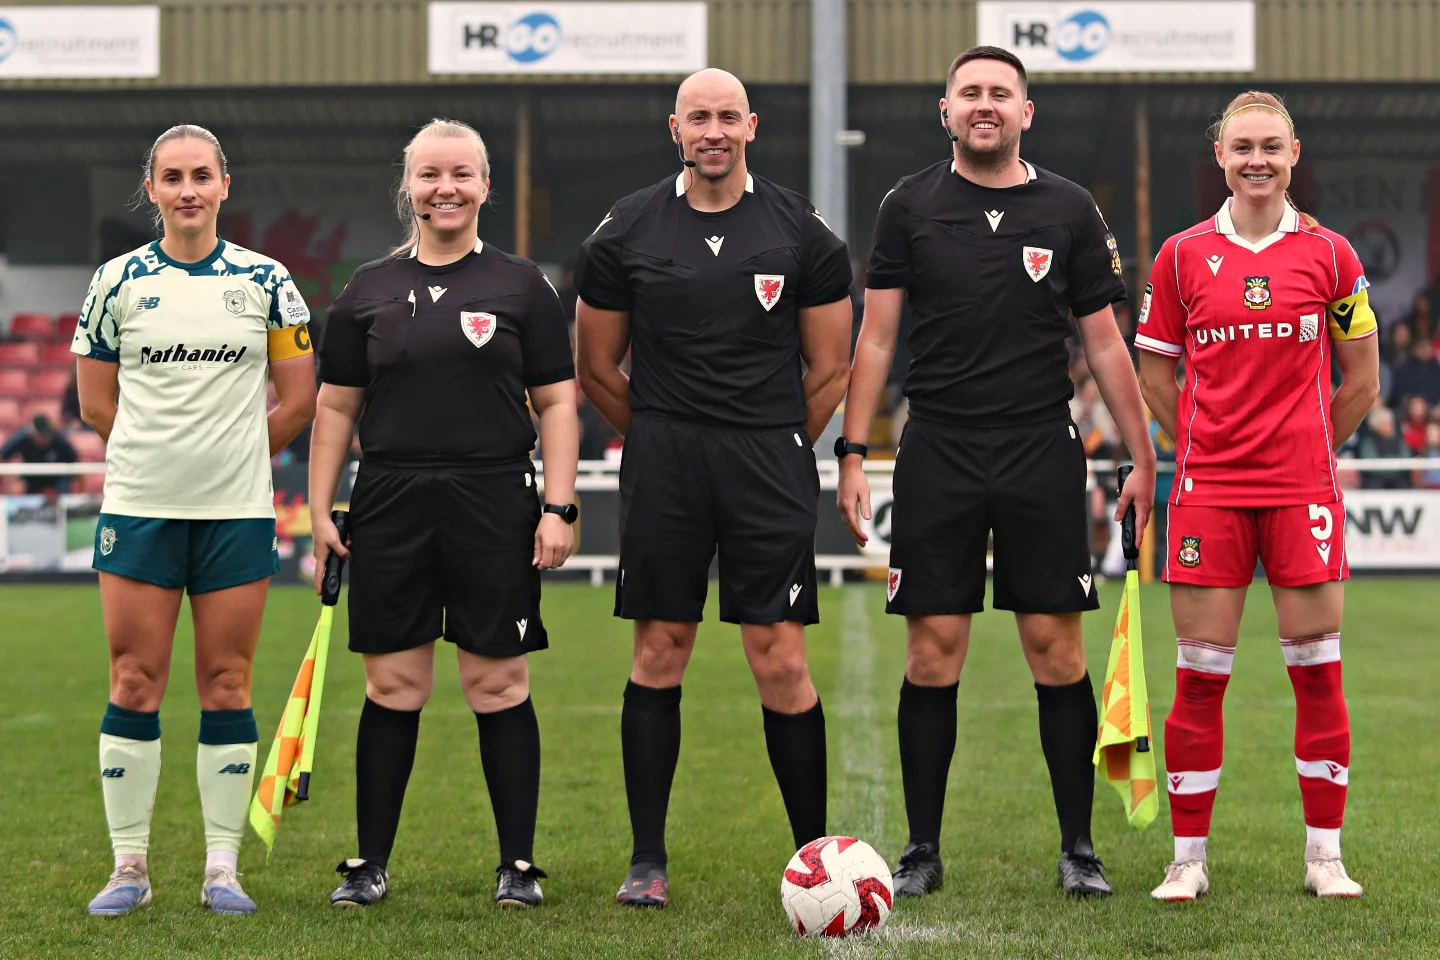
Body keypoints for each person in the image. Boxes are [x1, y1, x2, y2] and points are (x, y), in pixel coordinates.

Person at [836, 46, 1154, 898]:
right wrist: (854, 450)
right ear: (945, 110)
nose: (985, 105)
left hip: (1038, 449)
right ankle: (922, 850)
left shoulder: (1069, 208)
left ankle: (1079, 849)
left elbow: (1103, 342)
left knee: (1056, 650)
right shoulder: (907, 208)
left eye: (1000, 94)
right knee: (933, 652)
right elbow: (875, 338)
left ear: (1026, 111)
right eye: (969, 93)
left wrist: (1143, 450)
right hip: (937, 448)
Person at [574, 68, 853, 908]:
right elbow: (596, 367)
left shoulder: (802, 231)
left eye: (728, 116)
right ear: (675, 129)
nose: (714, 131)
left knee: (781, 656)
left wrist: (768, 440)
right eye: (699, 117)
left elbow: (831, 368)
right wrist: (665, 428)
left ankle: (815, 858)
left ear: (752, 126)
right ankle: (646, 862)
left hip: (768, 464)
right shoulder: (625, 230)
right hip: (666, 463)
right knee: (660, 650)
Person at [310, 119, 579, 910]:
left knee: (497, 682)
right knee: (394, 684)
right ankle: (368, 865)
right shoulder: (366, 290)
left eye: (461, 173)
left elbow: (559, 401)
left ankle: (518, 866)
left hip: (494, 494)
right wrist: (322, 507)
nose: (445, 188)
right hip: (391, 496)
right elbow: (333, 408)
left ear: (485, 185)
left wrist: (558, 505)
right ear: (409, 187)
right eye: (430, 174)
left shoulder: (522, 285)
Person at [1136, 91, 1380, 901]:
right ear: (1220, 158)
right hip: (1209, 493)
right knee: (1200, 678)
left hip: (1301, 494)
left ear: (1294, 154)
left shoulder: (1335, 256)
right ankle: (1187, 861)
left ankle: (1325, 858)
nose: (1257, 161)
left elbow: (1363, 379)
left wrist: (1306, 451)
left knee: (1318, 674)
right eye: (1242, 147)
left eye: (1271, 147)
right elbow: (1155, 374)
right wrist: (1207, 447)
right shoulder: (1178, 256)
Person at [72, 124, 317, 916]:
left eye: (200, 176)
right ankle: (129, 869)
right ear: (153, 189)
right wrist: (158, 458)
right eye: (172, 177)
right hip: (140, 511)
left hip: (236, 514)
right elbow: (94, 403)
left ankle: (222, 869)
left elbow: (301, 398)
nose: (187, 190)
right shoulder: (115, 282)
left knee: (227, 682)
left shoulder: (267, 280)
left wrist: (234, 455)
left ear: (223, 186)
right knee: (135, 681)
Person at [0, 414, 79, 497]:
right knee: (19, 489)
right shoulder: (22, 437)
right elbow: (3, 456)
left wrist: (81, 489)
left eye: (46, 436)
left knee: (64, 488)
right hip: (31, 475)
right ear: (33, 432)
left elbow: (75, 459)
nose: (45, 439)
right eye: (41, 436)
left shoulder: (57, 437)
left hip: (57, 474)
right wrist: (9, 478)